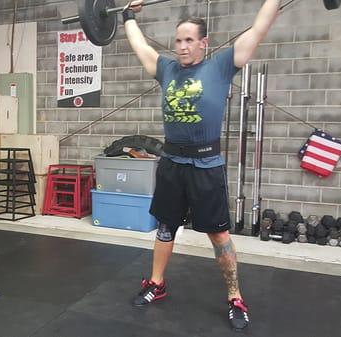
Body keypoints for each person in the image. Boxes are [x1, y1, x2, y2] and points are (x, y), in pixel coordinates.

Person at [124, 0, 280, 331]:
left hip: (205, 165)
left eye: (189, 40)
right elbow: (139, 45)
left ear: (203, 42)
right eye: (178, 40)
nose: (182, 47)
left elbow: (260, 28)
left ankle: (235, 297)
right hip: (171, 163)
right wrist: (126, 15)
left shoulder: (221, 66)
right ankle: (156, 283)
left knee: (218, 233)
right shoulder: (166, 69)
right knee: (166, 227)